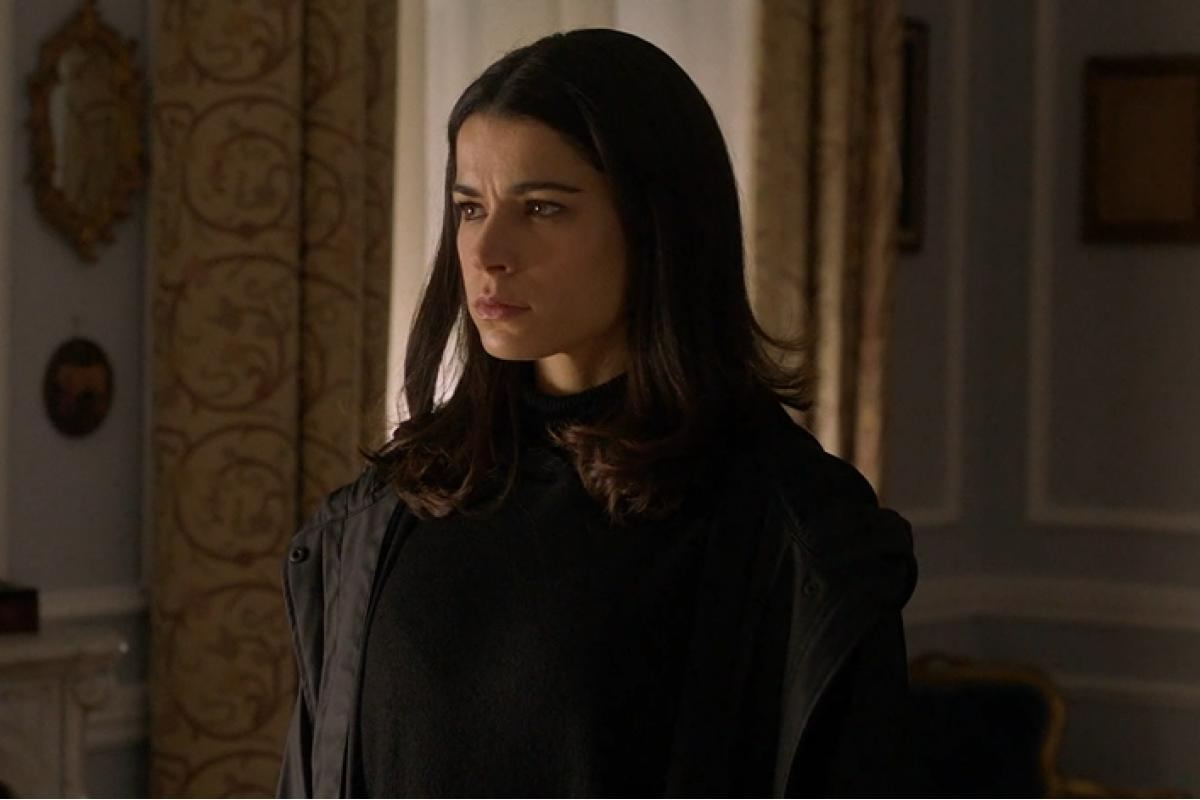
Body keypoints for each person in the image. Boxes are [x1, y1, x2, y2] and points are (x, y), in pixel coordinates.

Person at [277, 28, 917, 798]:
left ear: (657, 225)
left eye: (542, 208)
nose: (487, 251)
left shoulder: (798, 538)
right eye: (470, 208)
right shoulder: (381, 517)